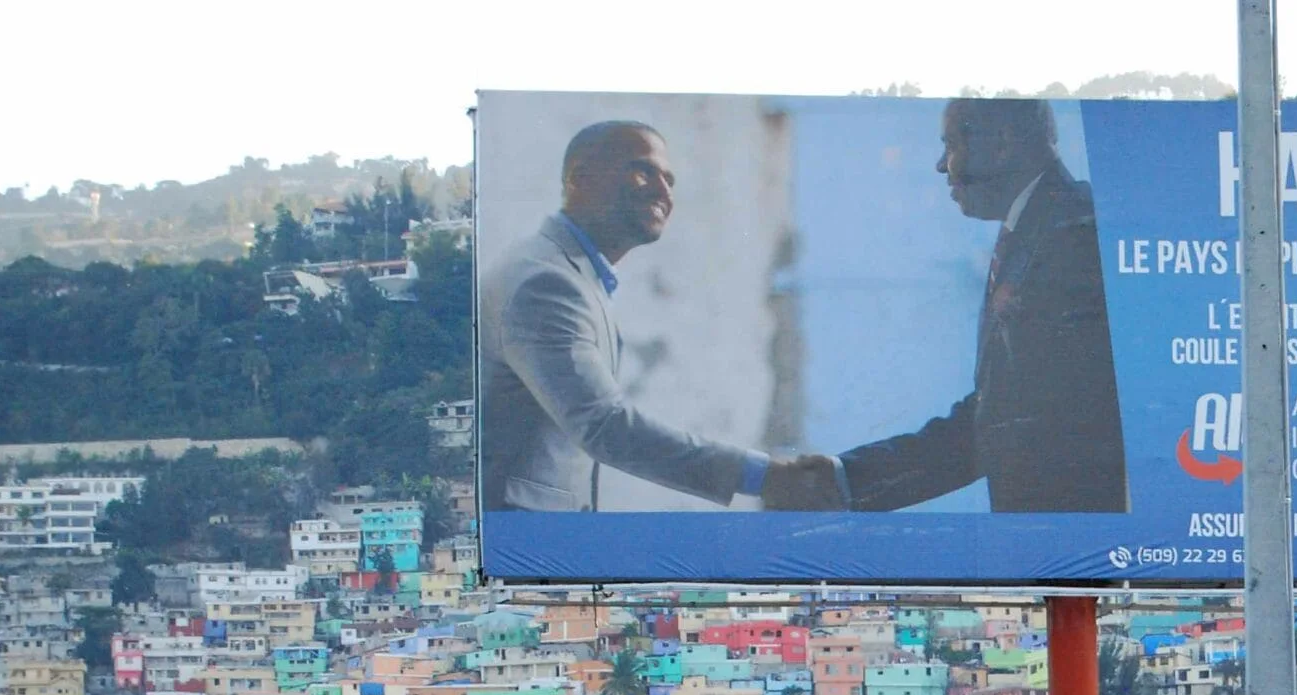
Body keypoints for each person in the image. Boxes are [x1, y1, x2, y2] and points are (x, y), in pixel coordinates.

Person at [776, 99, 1126, 516]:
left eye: (952, 145)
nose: (942, 166)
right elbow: (1001, 414)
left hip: (1067, 536)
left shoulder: (1072, 235)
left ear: (1001, 144)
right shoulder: (1042, 227)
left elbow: (1008, 422)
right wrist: (847, 477)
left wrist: (847, 480)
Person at [482, 120, 798, 514]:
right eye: (643, 171)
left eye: (669, 179)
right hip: (519, 541)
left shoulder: (572, 275)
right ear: (580, 179)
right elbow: (605, 425)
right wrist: (764, 477)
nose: (663, 191)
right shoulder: (546, 283)